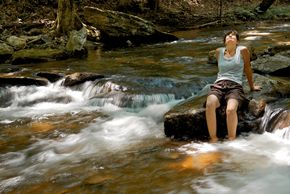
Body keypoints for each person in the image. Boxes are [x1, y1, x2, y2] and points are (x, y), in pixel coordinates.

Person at [205, 30, 261, 143]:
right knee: (210, 104)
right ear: (225, 41)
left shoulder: (243, 50)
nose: (230, 36)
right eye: (228, 36)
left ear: (237, 41)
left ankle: (231, 139)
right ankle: (213, 138)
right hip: (219, 85)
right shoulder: (218, 52)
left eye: (233, 36)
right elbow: (221, 70)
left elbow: (247, 69)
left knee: (230, 110)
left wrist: (252, 86)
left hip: (235, 86)